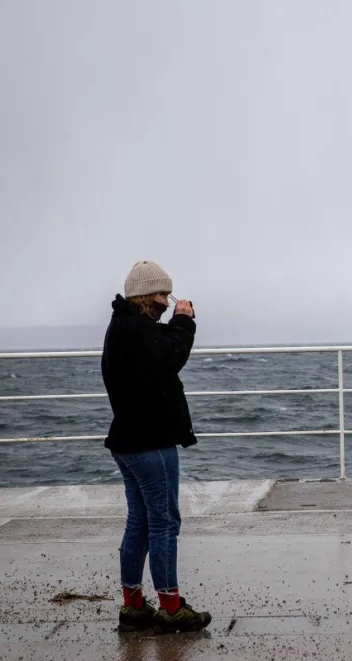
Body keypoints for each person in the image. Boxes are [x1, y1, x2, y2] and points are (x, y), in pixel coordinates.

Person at [101, 260, 212, 634]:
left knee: (141, 522)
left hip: (128, 442)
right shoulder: (139, 331)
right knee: (164, 522)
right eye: (163, 295)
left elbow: (156, 352)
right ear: (145, 295)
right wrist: (185, 322)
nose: (168, 302)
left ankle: (132, 604)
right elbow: (170, 357)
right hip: (151, 443)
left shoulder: (124, 327)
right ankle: (170, 606)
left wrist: (175, 324)